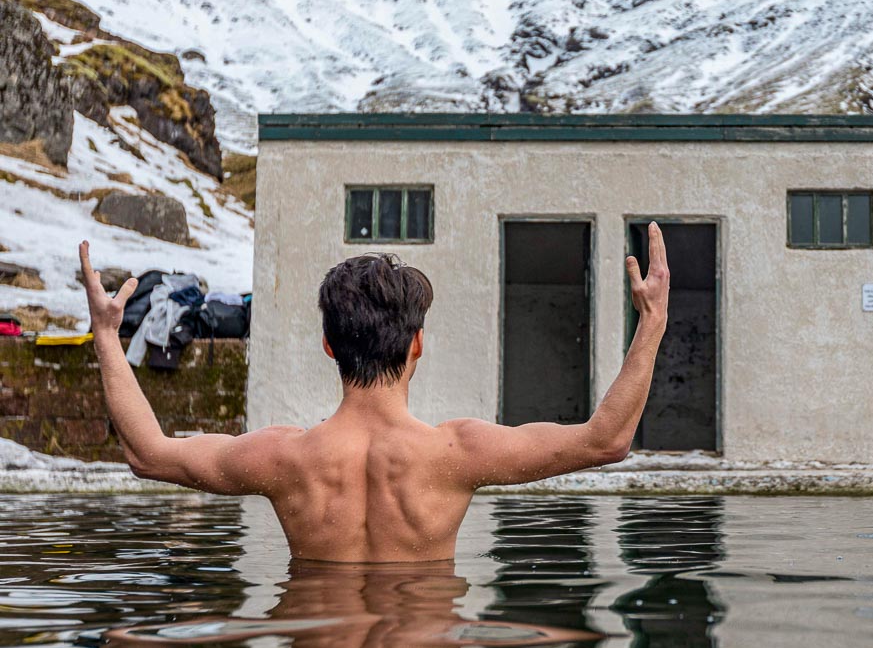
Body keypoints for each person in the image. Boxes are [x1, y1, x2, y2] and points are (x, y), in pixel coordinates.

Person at [76, 223, 670, 562]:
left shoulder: (284, 458)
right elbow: (606, 440)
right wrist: (651, 324)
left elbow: (147, 454)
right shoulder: (457, 454)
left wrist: (107, 334)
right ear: (416, 346)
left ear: (330, 347)